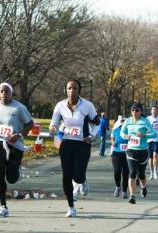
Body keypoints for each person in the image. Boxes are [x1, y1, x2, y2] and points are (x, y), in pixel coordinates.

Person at [49, 79, 99, 217]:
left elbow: (97, 123)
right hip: (67, 143)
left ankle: (82, 180)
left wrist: (92, 136)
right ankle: (71, 207)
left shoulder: (87, 106)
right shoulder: (60, 105)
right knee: (66, 176)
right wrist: (52, 127)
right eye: (69, 88)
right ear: (65, 90)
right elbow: (54, 122)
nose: (72, 90)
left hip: (83, 144)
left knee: (77, 176)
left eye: (74, 88)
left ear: (79, 90)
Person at [0, 82, 34, 218]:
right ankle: (3, 207)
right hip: (0, 142)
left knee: (11, 178)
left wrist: (18, 135)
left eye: (7, 91)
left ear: (11, 93)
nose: (4, 94)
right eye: (1, 91)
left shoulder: (19, 108)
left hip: (16, 145)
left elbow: (30, 124)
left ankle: (15, 171)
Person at [120, 103, 156, 204]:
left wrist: (144, 135)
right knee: (132, 173)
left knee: (141, 174)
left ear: (141, 111)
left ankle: (143, 187)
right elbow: (122, 132)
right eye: (133, 110)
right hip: (131, 149)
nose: (134, 112)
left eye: (137, 110)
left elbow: (154, 133)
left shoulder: (145, 121)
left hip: (143, 150)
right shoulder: (127, 121)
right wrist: (125, 136)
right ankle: (132, 196)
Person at [110, 117, 129, 199]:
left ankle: (124, 191)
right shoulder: (115, 130)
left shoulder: (130, 130)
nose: (123, 122)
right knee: (117, 171)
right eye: (122, 121)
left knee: (125, 173)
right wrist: (113, 142)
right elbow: (112, 138)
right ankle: (118, 187)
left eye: (125, 121)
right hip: (117, 153)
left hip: (128, 154)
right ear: (120, 122)